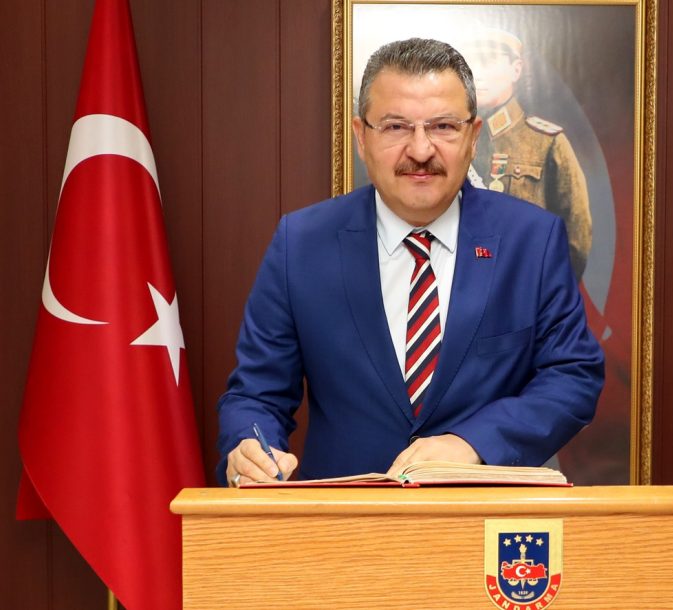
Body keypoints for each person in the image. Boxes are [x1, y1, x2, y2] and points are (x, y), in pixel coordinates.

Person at [216, 38, 604, 486]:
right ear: (362, 137)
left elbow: (572, 376)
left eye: (443, 126)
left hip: (488, 513)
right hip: (344, 518)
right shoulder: (301, 244)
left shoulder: (532, 240)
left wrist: (474, 443)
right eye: (396, 127)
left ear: (473, 136)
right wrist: (250, 447)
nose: (420, 151)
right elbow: (256, 394)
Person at [464, 29, 592, 279]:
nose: (477, 73)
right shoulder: (452, 140)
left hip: (526, 287)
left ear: (516, 69)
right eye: (471, 63)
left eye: (488, 61)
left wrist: (548, 291)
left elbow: (577, 237)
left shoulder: (546, 142)